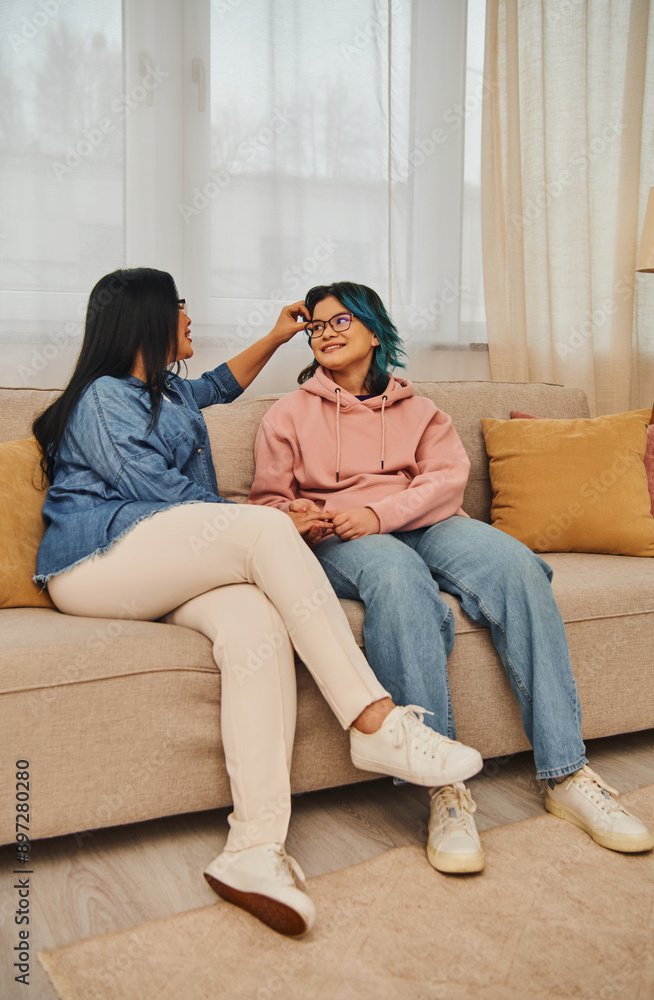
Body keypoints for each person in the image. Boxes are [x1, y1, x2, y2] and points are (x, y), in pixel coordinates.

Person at [31, 268, 485, 938]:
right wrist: (271, 518)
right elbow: (156, 490)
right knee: (267, 528)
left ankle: (253, 847)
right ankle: (373, 721)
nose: (190, 317)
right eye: (180, 307)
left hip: (160, 562)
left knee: (257, 625)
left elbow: (221, 385)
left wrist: (276, 336)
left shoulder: (168, 391)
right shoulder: (104, 397)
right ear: (147, 319)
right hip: (95, 560)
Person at [248, 280, 654, 875]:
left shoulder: (420, 409)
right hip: (342, 539)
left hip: (427, 522)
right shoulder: (286, 414)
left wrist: (380, 512)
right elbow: (266, 505)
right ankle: (444, 790)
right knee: (400, 581)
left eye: (341, 321)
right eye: (317, 326)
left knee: (517, 566)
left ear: (373, 330)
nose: (326, 333)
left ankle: (567, 773)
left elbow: (445, 482)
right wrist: (300, 515)